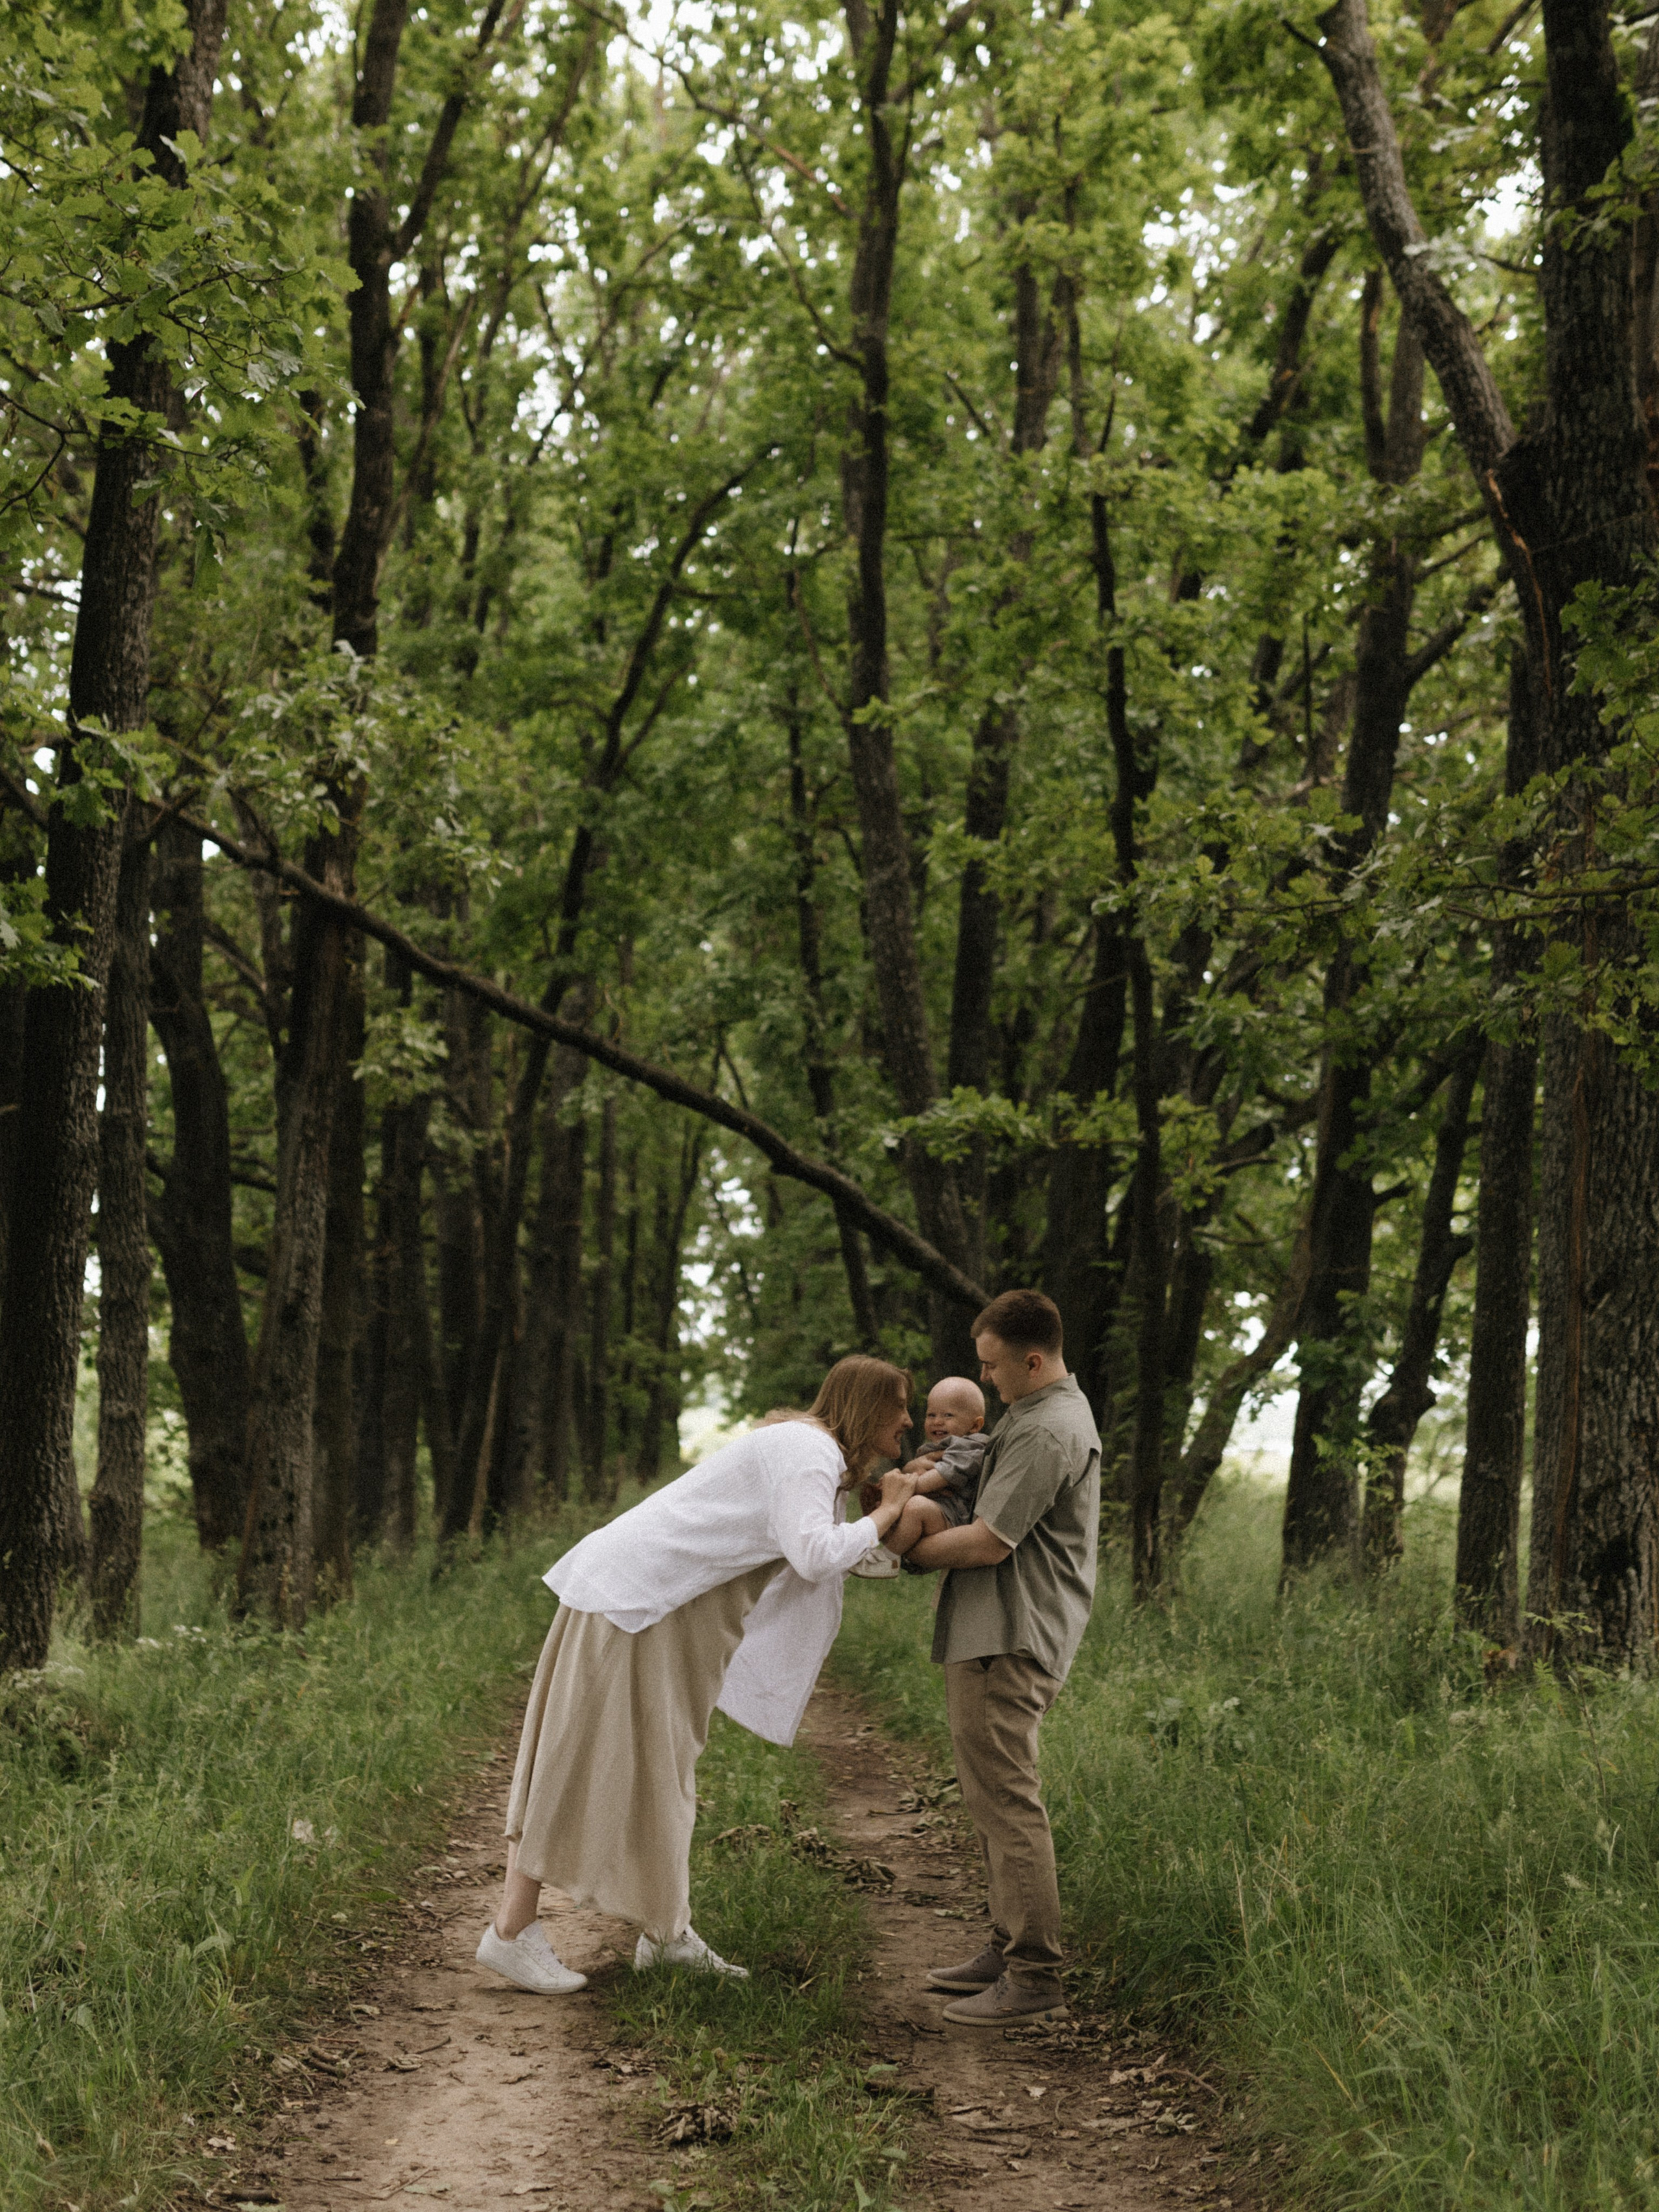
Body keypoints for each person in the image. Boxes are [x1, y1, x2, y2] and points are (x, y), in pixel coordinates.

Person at [476, 1356, 919, 1997]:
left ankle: (664, 1933)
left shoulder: (809, 1453)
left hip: (650, 1604)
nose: (908, 1419)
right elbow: (817, 1555)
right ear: (866, 1406)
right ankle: (516, 1933)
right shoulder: (809, 1451)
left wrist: (885, 1513)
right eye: (899, 1404)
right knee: (586, 1764)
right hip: (642, 1606)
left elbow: (843, 1555)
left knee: (655, 1767)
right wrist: (890, 1509)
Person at [904, 1288, 1100, 2027]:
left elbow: (989, 1540)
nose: (984, 1381)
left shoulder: (1048, 1429)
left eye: (992, 1366)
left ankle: (1034, 1974)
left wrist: (901, 1550)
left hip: (1010, 1638)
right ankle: (1004, 1943)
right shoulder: (1028, 1415)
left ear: (1031, 1357)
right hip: (993, 1632)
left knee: (1010, 1803)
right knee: (989, 1798)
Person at [852, 1375, 989, 1578]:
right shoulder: (938, 1446)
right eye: (931, 1415)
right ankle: (875, 1539)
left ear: (975, 1426)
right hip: (940, 1510)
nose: (937, 1422)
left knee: (915, 1506)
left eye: (948, 1415)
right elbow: (921, 1473)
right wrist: (902, 1480)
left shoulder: (970, 1446)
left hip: (958, 1517)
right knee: (900, 1505)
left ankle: (889, 1559)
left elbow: (942, 1477)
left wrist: (903, 1486)